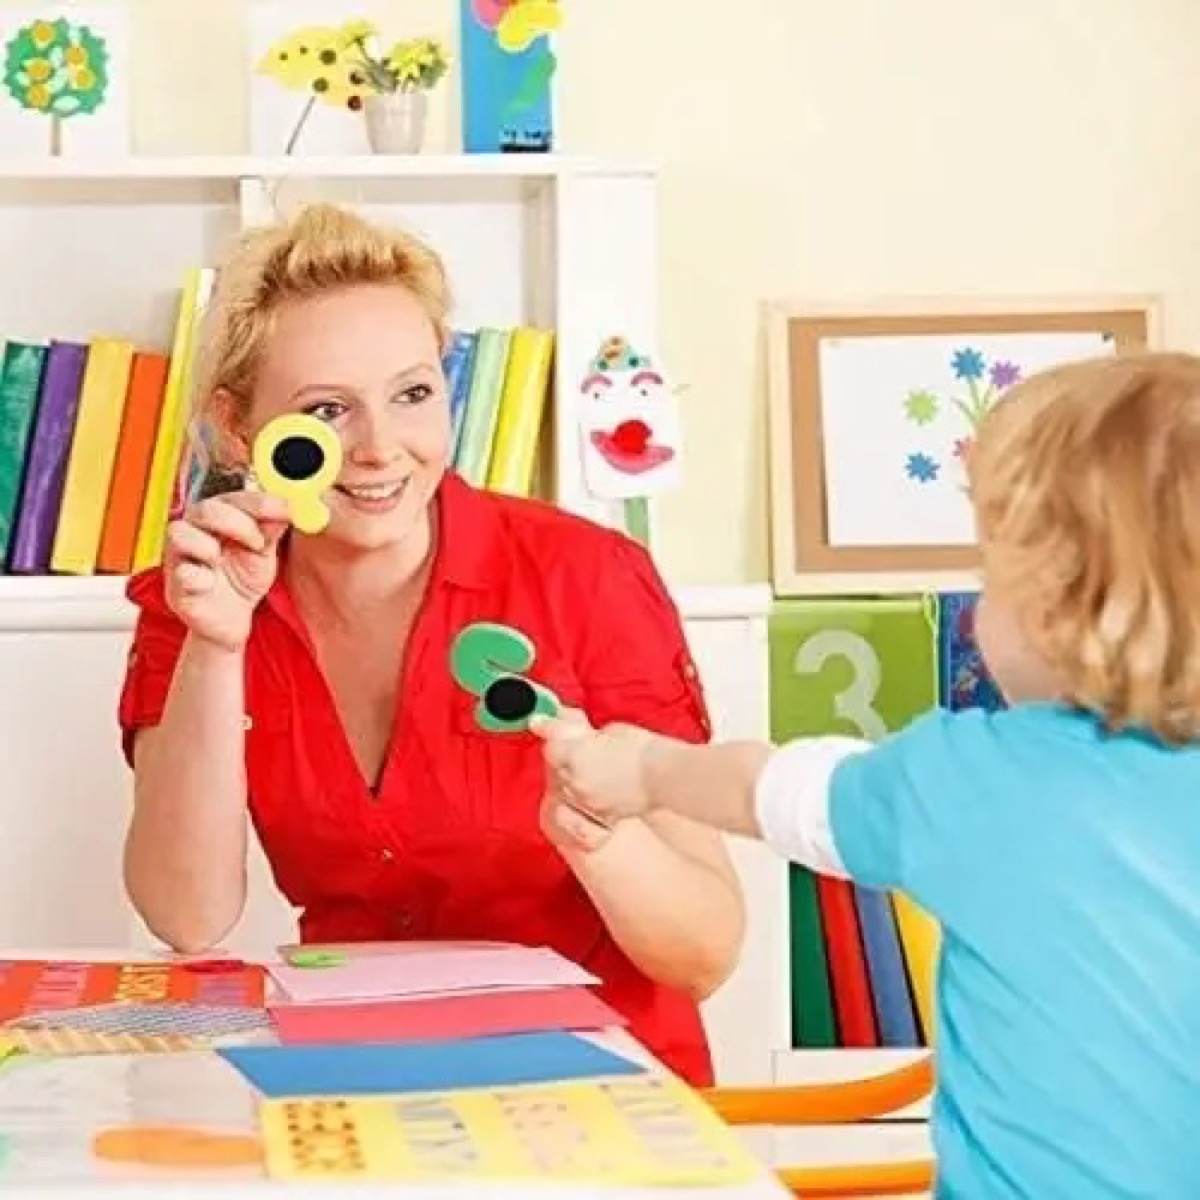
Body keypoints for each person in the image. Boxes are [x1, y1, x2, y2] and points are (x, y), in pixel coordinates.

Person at [533, 351, 1200, 1196]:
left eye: (988, 577)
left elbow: (763, 789)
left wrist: (643, 769)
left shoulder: (967, 780)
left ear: (1046, 601)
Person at [117, 202, 744, 1086]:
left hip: (603, 1088)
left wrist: (598, 839)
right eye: (327, 410)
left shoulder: (588, 577)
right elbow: (187, 917)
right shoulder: (196, 594)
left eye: (412, 395)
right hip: (364, 1080)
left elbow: (705, 954)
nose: (381, 449)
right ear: (239, 428)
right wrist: (218, 646)